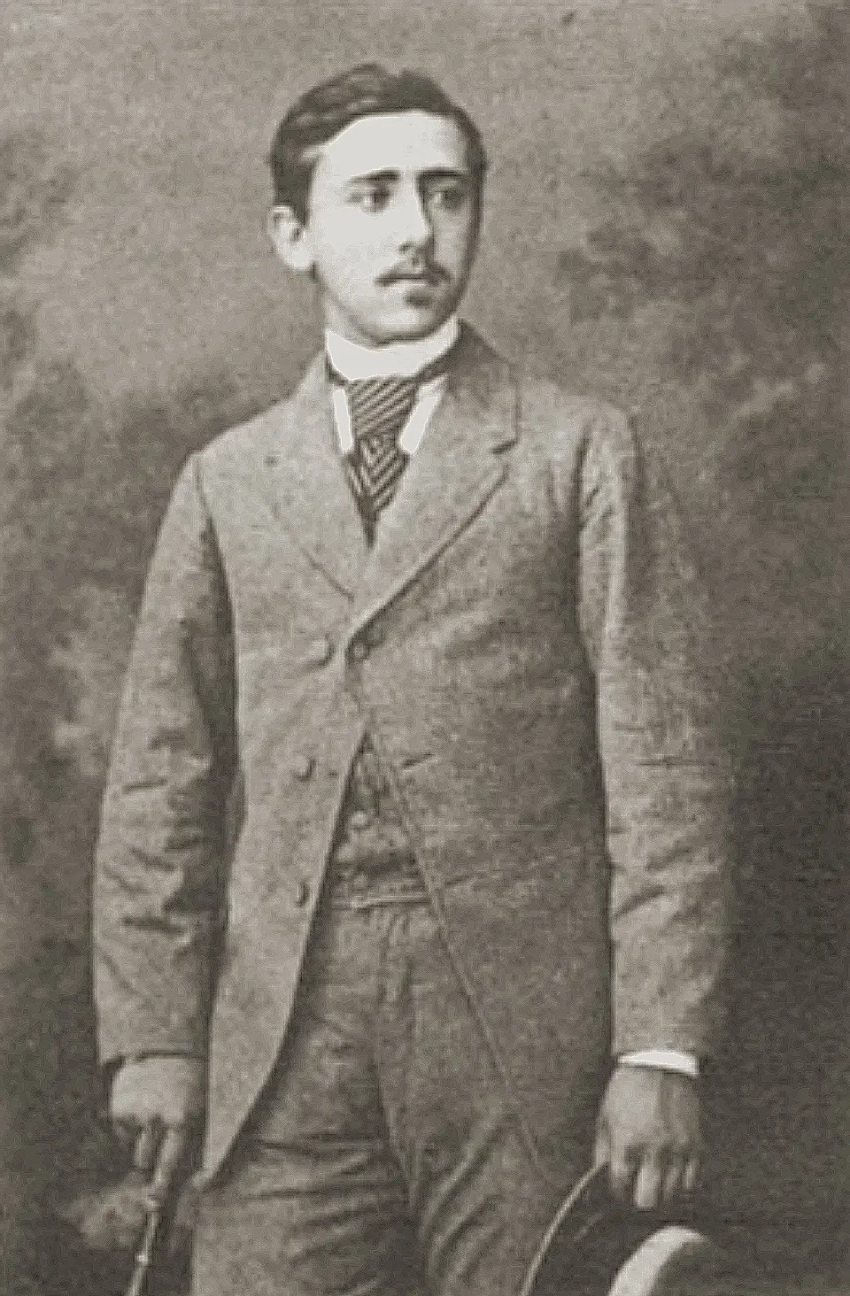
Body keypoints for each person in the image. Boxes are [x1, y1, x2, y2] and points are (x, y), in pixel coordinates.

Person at [93, 63, 730, 1296]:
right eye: (372, 195)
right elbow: (159, 781)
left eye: (446, 194)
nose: (415, 232)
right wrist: (156, 1035)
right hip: (282, 1026)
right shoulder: (226, 479)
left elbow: (665, 772)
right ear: (293, 234)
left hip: (521, 1030)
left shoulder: (580, 450)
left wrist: (661, 1046)